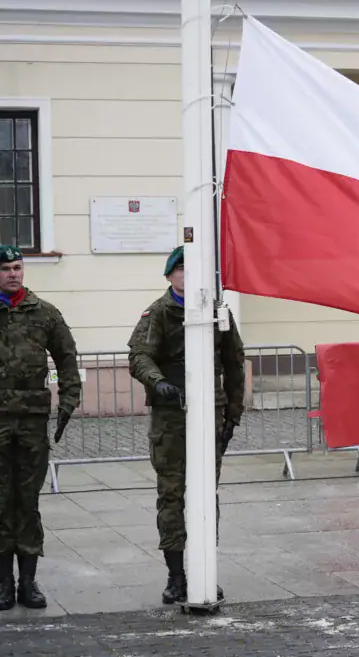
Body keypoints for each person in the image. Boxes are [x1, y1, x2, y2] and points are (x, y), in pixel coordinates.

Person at [127, 245, 246, 604]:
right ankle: (176, 576)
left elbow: (234, 363)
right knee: (172, 494)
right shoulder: (160, 313)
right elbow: (139, 355)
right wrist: (156, 380)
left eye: (195, 269)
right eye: (182, 270)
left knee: (206, 495)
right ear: (170, 276)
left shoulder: (216, 311)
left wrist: (233, 415)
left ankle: (205, 570)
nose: (188, 276)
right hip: (172, 417)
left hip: (211, 412)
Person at [0, 246, 81, 611]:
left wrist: (68, 401)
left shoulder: (45, 313)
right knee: (1, 500)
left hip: (32, 420)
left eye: (17, 267)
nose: (13, 274)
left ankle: (28, 582)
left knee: (28, 501)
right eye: (5, 269)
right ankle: (4, 583)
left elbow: (66, 357)